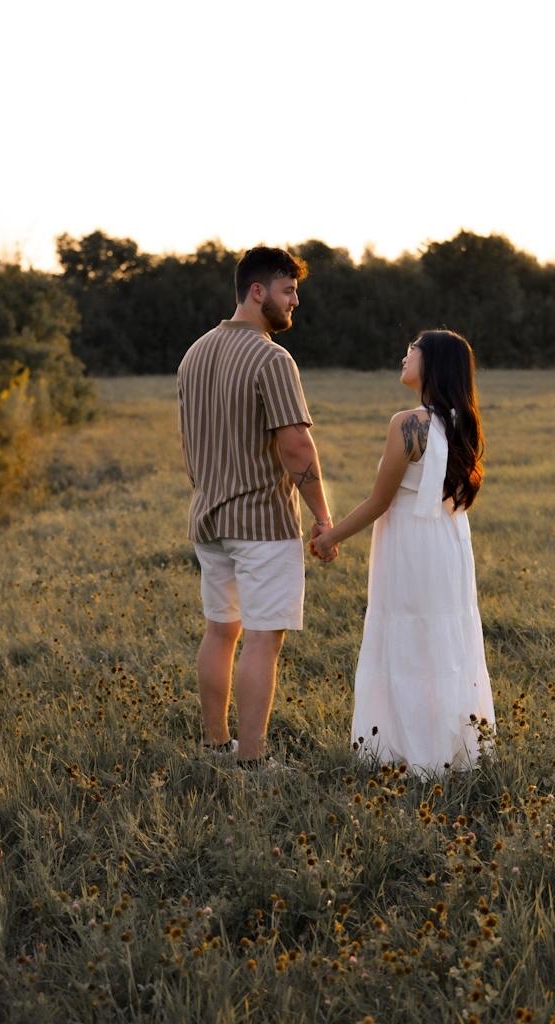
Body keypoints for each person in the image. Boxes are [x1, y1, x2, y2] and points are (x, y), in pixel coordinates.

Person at [177, 246, 337, 770]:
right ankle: (251, 761)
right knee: (264, 638)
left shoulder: (194, 353)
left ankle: (214, 745)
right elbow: (295, 446)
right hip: (262, 524)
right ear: (257, 291)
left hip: (208, 518)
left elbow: (190, 444)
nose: (295, 303)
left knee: (221, 630)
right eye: (288, 291)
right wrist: (322, 515)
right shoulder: (272, 358)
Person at [311, 329, 495, 777]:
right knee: (444, 639)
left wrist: (330, 538)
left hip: (411, 545)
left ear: (431, 362)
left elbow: (379, 501)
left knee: (409, 641)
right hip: (449, 544)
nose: (404, 355)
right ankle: (451, 750)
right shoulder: (461, 421)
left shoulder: (407, 423)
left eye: (412, 349)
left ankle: (410, 754)